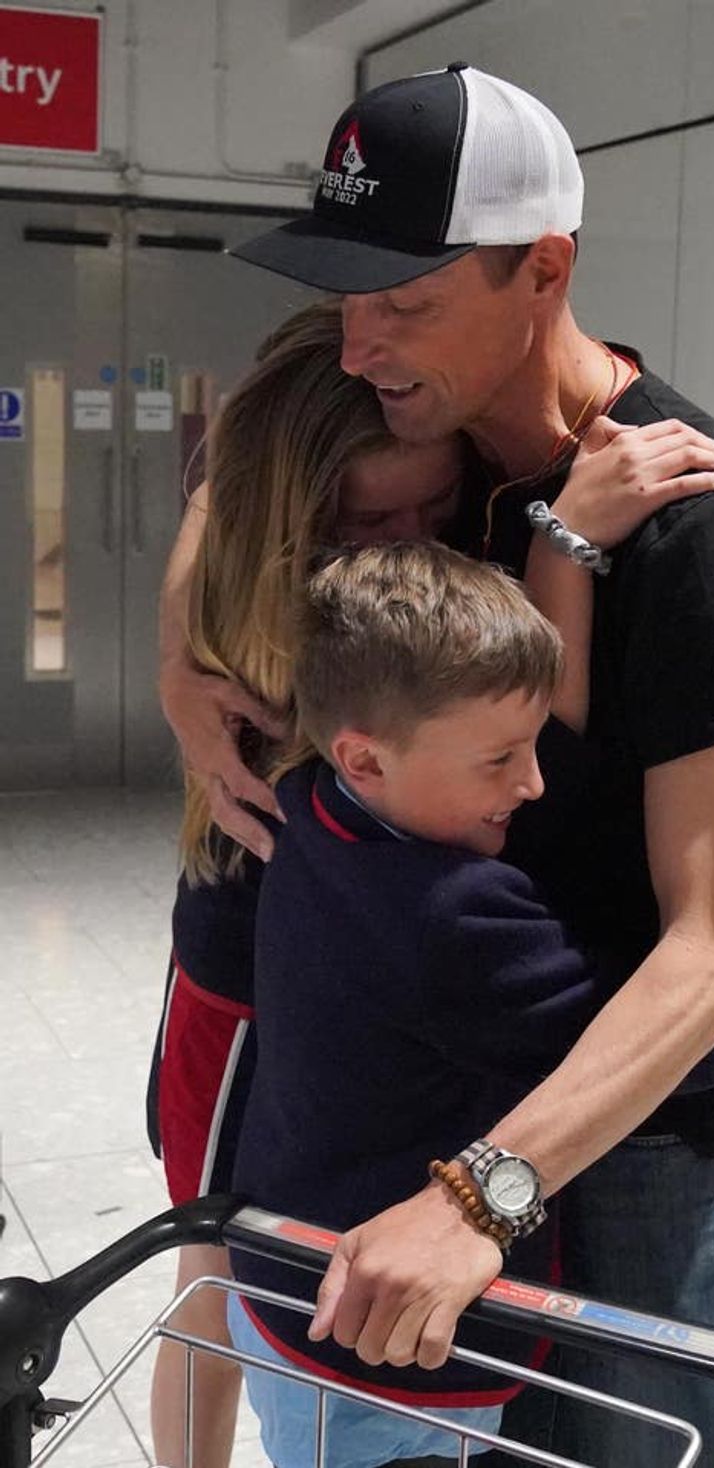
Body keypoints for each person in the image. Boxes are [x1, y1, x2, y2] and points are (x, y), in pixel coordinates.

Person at [161, 66, 714, 1465]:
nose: (362, 346)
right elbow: (250, 466)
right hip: (486, 1081)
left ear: (546, 269)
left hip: (644, 1132)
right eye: (349, 297)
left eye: (405, 302)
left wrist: (476, 1201)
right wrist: (181, 663)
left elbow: (712, 948)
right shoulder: (445, 455)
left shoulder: (691, 523)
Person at [227, 541, 714, 1468]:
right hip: (393, 1359)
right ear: (365, 757)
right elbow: (706, 1038)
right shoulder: (453, 916)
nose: (533, 783)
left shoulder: (315, 804)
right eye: (500, 758)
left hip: (281, 1289)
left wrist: (563, 548)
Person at [147, 300, 468, 1468]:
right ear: (291, 524)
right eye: (372, 518)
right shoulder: (278, 618)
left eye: (436, 506)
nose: (415, 542)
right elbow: (235, 469)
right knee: (213, 1260)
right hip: (243, 985)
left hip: (313, 976)